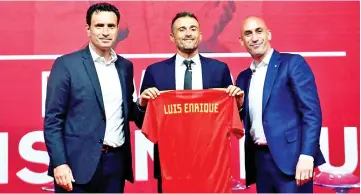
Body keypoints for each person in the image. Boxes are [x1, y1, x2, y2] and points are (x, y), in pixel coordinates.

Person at [43, 3, 145, 193]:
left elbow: (127, 111)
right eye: (99, 26)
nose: (105, 32)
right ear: (88, 30)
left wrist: (142, 104)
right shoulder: (66, 64)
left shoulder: (125, 67)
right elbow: (53, 120)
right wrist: (59, 163)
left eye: (111, 26)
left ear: (117, 29)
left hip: (115, 165)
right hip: (75, 166)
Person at [138, 11, 243, 193]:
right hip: (169, 167)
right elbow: (143, 122)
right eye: (182, 29)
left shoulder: (219, 70)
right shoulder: (155, 72)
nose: (188, 33)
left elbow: (230, 118)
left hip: (211, 167)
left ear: (200, 35)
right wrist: (142, 105)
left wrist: (238, 104)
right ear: (172, 36)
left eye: (193, 29)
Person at [235, 16, 325, 193]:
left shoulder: (292, 63)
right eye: (248, 34)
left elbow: (311, 113)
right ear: (241, 41)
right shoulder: (243, 77)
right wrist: (237, 107)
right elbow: (240, 121)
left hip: (293, 161)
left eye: (259, 31)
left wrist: (307, 155)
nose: (254, 38)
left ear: (268, 34)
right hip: (260, 162)